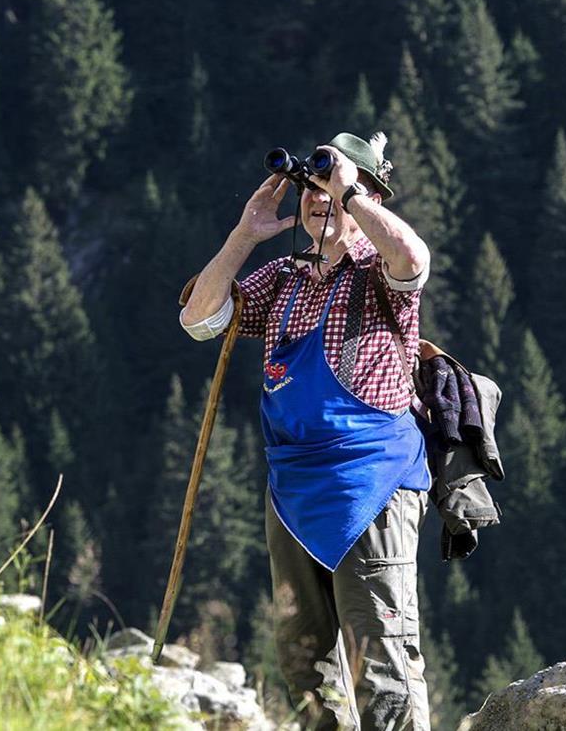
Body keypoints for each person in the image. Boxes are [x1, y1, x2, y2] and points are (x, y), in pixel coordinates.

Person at [177, 132, 433, 730]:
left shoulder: (377, 275)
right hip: (293, 493)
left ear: (365, 198)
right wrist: (246, 234)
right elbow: (198, 320)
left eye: (334, 191)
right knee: (304, 666)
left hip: (372, 487)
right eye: (312, 190)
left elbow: (413, 259)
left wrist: (351, 191)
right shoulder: (283, 280)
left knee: (381, 665)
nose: (321, 201)